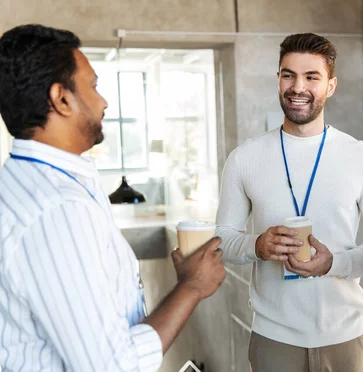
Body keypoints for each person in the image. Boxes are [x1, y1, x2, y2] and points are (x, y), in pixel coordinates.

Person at [0, 24, 226, 371]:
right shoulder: (58, 210)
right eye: (92, 86)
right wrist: (192, 287)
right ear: (61, 99)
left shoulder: (25, 181)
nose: (103, 101)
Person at [215, 33, 363, 371]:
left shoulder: (362, 157)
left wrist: (335, 263)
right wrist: (257, 245)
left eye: (311, 77)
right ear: (278, 79)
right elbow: (222, 240)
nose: (297, 87)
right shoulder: (244, 158)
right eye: (288, 75)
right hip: (274, 341)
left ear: (330, 85)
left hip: (346, 339)